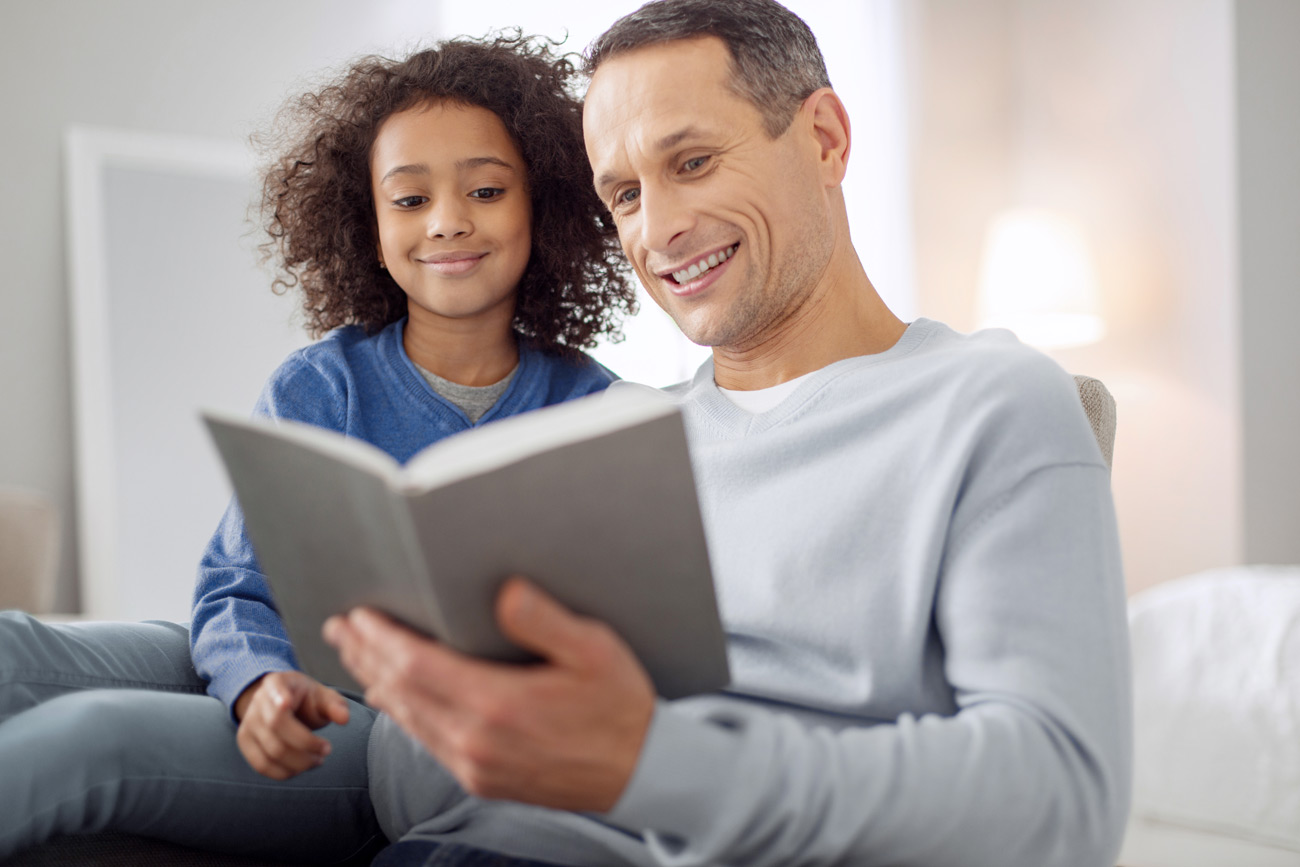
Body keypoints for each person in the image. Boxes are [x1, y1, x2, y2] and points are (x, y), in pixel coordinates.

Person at [324, 2, 1133, 866]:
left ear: (824, 138)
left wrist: (644, 762)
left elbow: (1063, 802)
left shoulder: (990, 403)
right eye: (626, 195)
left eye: (694, 163)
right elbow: (414, 799)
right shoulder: (605, 437)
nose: (658, 230)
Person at [0, 34, 633, 861]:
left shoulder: (594, 409)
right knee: (15, 647)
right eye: (408, 200)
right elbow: (235, 586)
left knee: (94, 735)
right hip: (274, 669)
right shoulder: (319, 383)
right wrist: (257, 680)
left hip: (377, 735)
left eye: (484, 189)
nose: (447, 221)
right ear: (368, 225)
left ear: (540, 205)